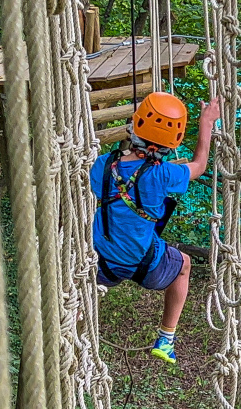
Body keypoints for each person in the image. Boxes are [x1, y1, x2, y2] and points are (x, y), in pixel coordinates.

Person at [90, 92, 220, 364]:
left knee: (82, 283)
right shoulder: (164, 174)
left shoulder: (102, 165)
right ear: (172, 142)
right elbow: (199, 165)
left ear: (134, 126)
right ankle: (166, 338)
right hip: (145, 265)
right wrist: (206, 122)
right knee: (184, 264)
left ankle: (75, 320)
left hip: (100, 264)